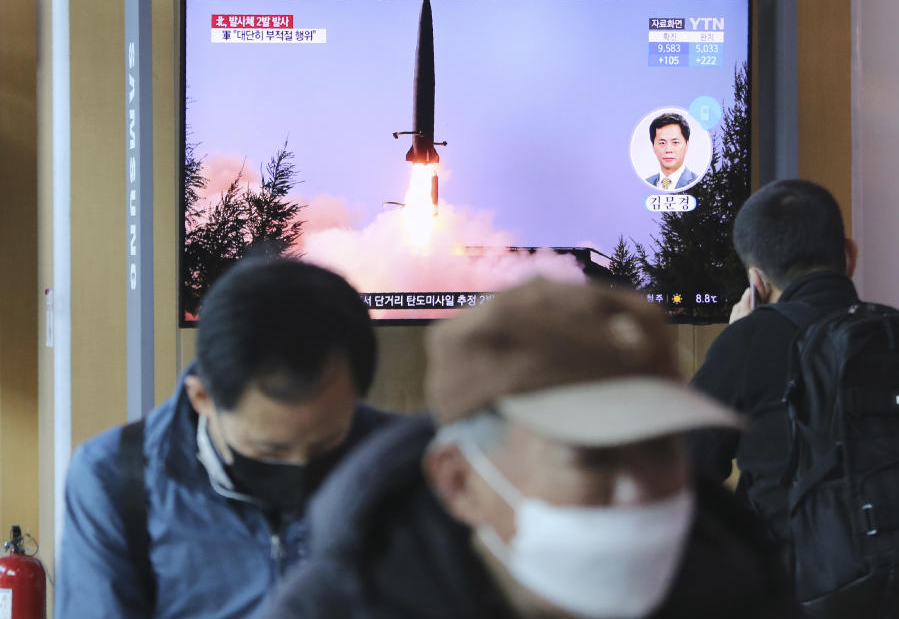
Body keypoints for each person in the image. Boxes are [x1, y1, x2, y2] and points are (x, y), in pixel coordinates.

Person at [261, 278, 797, 619]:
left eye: (660, 451)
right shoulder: (337, 607)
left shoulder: (742, 585)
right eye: (591, 456)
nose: (641, 493)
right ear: (460, 481)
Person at [55, 258, 399, 619]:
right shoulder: (114, 478)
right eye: (270, 449)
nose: (300, 468)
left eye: (326, 444)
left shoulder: (406, 465)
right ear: (202, 398)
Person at [688, 179, 899, 617]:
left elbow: (684, 471)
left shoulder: (749, 341)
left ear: (755, 282)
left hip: (809, 595)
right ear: (849, 255)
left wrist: (740, 334)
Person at [645, 112, 699, 191]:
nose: (668, 150)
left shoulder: (698, 182)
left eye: (675, 142)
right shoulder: (646, 183)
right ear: (653, 146)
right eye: (662, 143)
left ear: (687, 144)